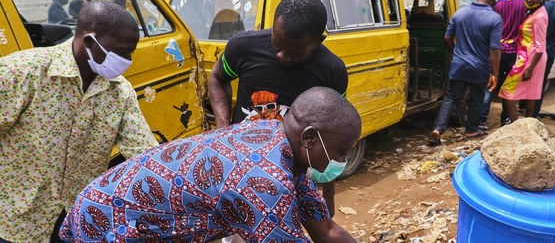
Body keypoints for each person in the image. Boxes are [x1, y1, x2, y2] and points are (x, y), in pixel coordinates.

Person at [59, 87, 361, 242]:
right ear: (310, 137)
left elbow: (326, 231)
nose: (342, 161)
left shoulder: (283, 141)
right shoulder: (262, 180)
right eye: (340, 151)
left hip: (123, 206)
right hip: (110, 220)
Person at [0, 1, 158, 243]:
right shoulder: (22, 73)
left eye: (131, 52)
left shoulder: (118, 92)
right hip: (18, 221)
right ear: (89, 42)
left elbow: (144, 151)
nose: (127, 60)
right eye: (121, 51)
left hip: (77, 219)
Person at [208, 0, 348, 222]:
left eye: (294, 53)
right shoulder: (243, 47)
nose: (282, 56)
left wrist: (329, 194)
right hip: (241, 166)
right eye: (276, 45)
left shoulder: (332, 71)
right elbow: (217, 77)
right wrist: (222, 131)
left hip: (294, 175)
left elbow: (331, 134)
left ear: (318, 41)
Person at [429, 0, 502, 145]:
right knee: (476, 98)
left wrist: (456, 52)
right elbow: (495, 50)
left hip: (459, 64)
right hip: (480, 67)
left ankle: (438, 129)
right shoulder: (494, 18)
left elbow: (447, 38)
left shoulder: (460, 13)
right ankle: (471, 130)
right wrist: (495, 74)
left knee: (450, 98)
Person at [479, 0, 527, 129]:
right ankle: (505, 119)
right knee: (509, 87)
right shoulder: (525, 4)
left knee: (490, 85)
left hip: (496, 51)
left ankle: (482, 121)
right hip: (514, 52)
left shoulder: (498, 3)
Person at [499, 0, 549, 122]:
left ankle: (517, 124)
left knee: (507, 90)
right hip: (529, 57)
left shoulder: (540, 17)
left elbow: (540, 46)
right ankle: (527, 124)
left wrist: (530, 69)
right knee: (530, 92)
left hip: (531, 59)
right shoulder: (534, 11)